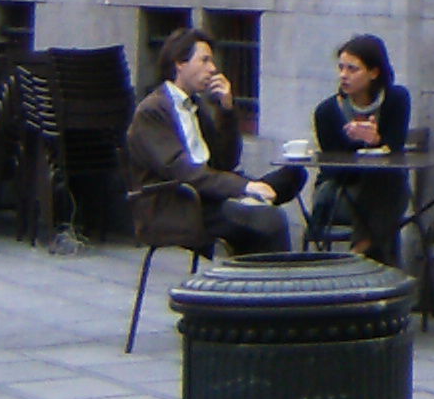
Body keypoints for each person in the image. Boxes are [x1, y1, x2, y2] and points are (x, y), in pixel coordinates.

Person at [127, 27, 307, 254]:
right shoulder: (152, 111)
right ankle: (275, 286)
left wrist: (227, 110)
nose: (212, 69)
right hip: (179, 203)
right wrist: (245, 187)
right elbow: (184, 172)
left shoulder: (196, 106)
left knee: (293, 175)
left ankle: (254, 210)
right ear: (180, 63)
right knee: (269, 220)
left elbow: (226, 162)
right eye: (204, 60)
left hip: (209, 194)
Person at [309, 33, 413, 259]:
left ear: (374, 72)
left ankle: (361, 249)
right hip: (341, 193)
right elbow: (333, 168)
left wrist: (376, 141)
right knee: (387, 188)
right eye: (341, 68)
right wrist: (358, 147)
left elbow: (395, 151)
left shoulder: (396, 100)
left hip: (384, 191)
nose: (343, 76)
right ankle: (367, 252)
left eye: (352, 69)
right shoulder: (327, 112)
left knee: (388, 179)